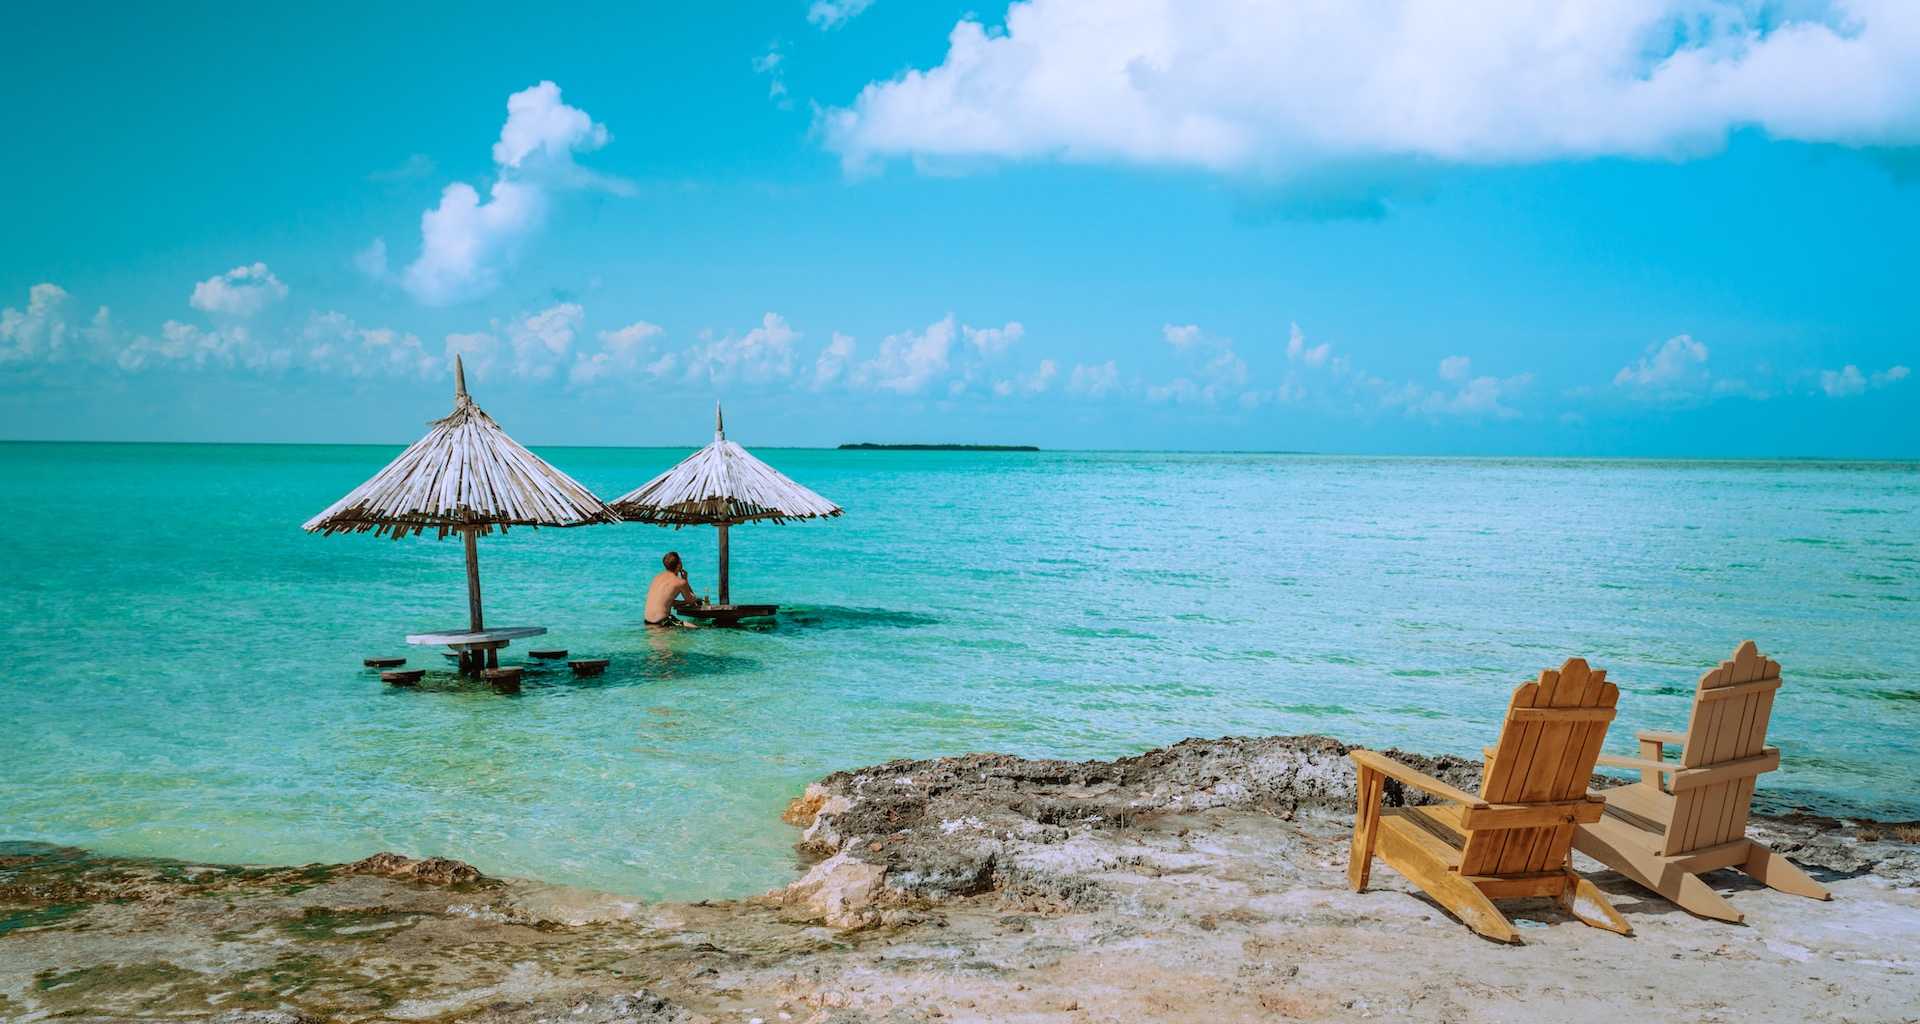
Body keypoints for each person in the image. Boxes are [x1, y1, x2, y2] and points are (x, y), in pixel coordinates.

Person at [644, 551, 702, 626]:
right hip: (662, 622)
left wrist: (682, 602)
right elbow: (692, 600)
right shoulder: (680, 582)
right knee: (696, 628)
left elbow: (665, 601)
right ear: (678, 565)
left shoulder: (657, 577)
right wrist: (686, 580)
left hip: (648, 622)